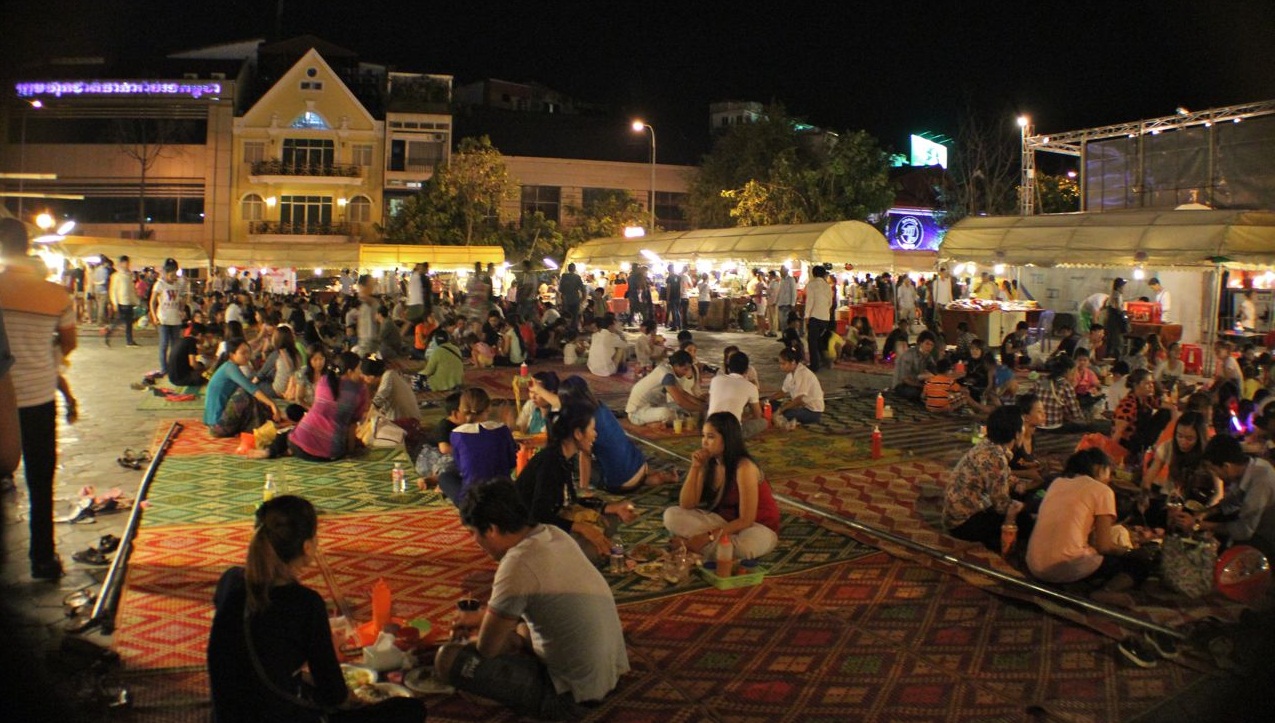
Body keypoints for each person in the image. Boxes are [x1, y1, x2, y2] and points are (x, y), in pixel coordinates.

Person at [208, 495, 425, 723]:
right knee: (410, 710)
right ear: (307, 546)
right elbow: (333, 694)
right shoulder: (305, 603)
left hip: (225, 716)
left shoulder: (230, 581)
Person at [435, 479, 629, 719]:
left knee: (448, 658)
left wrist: (473, 639)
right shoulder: (553, 533)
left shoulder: (517, 563)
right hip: (609, 674)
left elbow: (488, 648)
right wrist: (487, 619)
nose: (476, 542)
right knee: (523, 628)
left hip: (570, 699)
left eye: (474, 533)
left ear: (492, 529)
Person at [0, 218, 77, 579]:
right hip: (38, 399)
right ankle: (42, 559)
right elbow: (69, 343)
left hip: (2, 399)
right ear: (28, 247)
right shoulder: (55, 295)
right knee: (41, 478)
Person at [516, 401, 639, 562]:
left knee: (612, 520)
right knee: (592, 549)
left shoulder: (563, 458)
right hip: (529, 533)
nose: (595, 434)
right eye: (592, 429)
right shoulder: (550, 462)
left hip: (553, 524)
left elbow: (571, 502)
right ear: (578, 434)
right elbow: (538, 515)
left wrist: (609, 507)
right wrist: (582, 528)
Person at [1027, 449, 1157, 599]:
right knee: (1139, 565)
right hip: (1063, 566)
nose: (1110, 477)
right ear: (1099, 468)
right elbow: (1103, 546)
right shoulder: (1102, 490)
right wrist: (1130, 553)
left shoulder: (1057, 483)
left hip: (1034, 565)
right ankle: (1107, 592)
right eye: (1109, 470)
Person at [664, 411, 781, 561]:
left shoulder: (744, 467)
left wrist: (708, 536)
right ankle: (710, 549)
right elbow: (686, 504)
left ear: (727, 440)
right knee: (671, 516)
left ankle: (688, 545)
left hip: (757, 527)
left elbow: (746, 520)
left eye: (711, 437)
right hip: (725, 523)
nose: (704, 442)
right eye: (704, 436)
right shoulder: (710, 462)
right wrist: (696, 468)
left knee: (746, 548)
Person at [1169, 435, 1275, 560]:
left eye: (1214, 470)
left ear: (1226, 467)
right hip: (1252, 535)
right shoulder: (1248, 468)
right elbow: (1231, 502)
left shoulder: (1261, 478)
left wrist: (1197, 525)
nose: (1216, 476)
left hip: (1265, 544)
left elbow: (1244, 530)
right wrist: (1203, 514)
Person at [942, 405, 1025, 551]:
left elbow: (999, 477)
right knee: (1026, 520)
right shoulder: (996, 457)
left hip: (955, 516)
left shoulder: (987, 445)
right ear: (1016, 434)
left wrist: (1017, 483)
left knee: (1019, 498)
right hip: (963, 524)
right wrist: (1023, 507)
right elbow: (1001, 505)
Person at [438, 388, 518, 506]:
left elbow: (461, 468)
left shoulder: (457, 434)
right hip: (503, 494)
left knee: (445, 478)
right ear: (488, 407)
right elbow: (512, 462)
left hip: (472, 500)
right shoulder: (502, 429)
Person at [205, 338, 282, 438]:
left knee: (251, 394)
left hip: (218, 424)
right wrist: (272, 405)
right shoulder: (230, 368)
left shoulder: (230, 367)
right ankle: (259, 425)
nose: (247, 356)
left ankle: (263, 421)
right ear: (232, 355)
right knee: (245, 393)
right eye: (243, 353)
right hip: (217, 427)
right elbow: (251, 389)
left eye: (248, 352)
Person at [1112, 368, 1174, 463]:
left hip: (1141, 436)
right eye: (1147, 383)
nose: (1151, 386)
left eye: (1152, 383)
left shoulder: (1146, 399)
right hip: (1129, 443)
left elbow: (1170, 407)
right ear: (1136, 385)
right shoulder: (1128, 404)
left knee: (1166, 412)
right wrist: (1113, 456)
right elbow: (1117, 433)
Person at [625, 350, 701, 425]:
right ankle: (654, 422)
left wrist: (701, 404)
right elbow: (680, 401)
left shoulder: (668, 369)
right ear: (676, 365)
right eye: (685, 369)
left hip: (653, 406)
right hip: (637, 413)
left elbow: (683, 393)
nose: (686, 373)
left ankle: (658, 421)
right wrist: (702, 409)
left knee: (682, 408)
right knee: (667, 413)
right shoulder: (667, 374)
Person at [707, 351, 767, 438]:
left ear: (729, 368)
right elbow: (758, 415)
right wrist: (746, 418)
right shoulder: (751, 387)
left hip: (710, 428)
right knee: (763, 422)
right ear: (747, 370)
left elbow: (710, 402)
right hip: (732, 432)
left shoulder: (716, 380)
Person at [771, 347, 825, 428]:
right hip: (800, 407)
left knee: (785, 413)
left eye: (783, 364)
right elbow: (782, 392)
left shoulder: (802, 374)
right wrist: (767, 400)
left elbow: (799, 400)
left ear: (792, 362)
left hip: (812, 411)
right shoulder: (791, 374)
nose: (781, 367)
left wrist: (781, 410)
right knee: (771, 404)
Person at [150, 259, 185, 378]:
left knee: (175, 345)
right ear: (165, 273)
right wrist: (154, 316)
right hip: (163, 319)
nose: (173, 276)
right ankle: (164, 369)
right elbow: (152, 302)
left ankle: (173, 366)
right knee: (164, 344)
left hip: (175, 319)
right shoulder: (159, 284)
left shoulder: (178, 284)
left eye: (175, 273)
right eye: (171, 274)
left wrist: (182, 310)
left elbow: (181, 300)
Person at [361, 357, 419, 424]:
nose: (364, 380)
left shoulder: (388, 376)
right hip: (404, 420)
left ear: (371, 377)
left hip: (407, 422)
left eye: (364, 377)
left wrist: (366, 421)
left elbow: (378, 400)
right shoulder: (389, 376)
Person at [103, 254, 140, 347]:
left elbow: (131, 290)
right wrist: (115, 303)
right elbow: (113, 290)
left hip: (129, 302)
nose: (126, 265)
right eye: (124, 263)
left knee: (128, 323)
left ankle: (129, 340)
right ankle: (110, 332)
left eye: (127, 263)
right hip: (121, 302)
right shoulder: (116, 276)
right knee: (120, 321)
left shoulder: (129, 275)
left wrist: (136, 301)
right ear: (121, 263)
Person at [804, 265, 834, 371]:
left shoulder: (811, 285)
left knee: (812, 342)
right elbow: (830, 303)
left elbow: (809, 301)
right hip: (825, 317)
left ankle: (814, 365)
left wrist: (806, 316)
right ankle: (826, 362)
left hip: (815, 317)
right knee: (821, 341)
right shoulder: (827, 286)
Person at [893, 331, 937, 401]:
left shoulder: (928, 356)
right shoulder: (908, 355)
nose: (929, 347)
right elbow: (905, 379)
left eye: (932, 345)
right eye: (927, 344)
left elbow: (934, 370)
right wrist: (923, 386)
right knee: (915, 393)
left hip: (916, 381)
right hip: (902, 384)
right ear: (920, 343)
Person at [587, 312, 628, 376]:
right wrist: (619, 333)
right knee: (621, 348)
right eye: (615, 325)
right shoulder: (612, 336)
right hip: (605, 371)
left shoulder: (594, 335)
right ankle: (622, 367)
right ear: (611, 326)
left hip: (592, 368)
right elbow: (625, 345)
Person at [1104, 278, 1128, 360]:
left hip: (1113, 320)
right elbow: (1118, 307)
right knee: (1117, 342)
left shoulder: (1117, 294)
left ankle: (1110, 357)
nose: (1124, 288)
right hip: (1114, 321)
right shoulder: (1116, 294)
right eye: (1123, 286)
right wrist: (1124, 313)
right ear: (1119, 287)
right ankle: (1116, 359)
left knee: (1112, 341)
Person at [557, 262, 585, 332]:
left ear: (568, 269)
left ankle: (565, 332)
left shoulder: (564, 276)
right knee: (574, 318)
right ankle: (573, 333)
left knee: (566, 318)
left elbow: (560, 290)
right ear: (574, 269)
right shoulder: (577, 277)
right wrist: (581, 300)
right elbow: (583, 290)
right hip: (575, 300)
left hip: (566, 301)